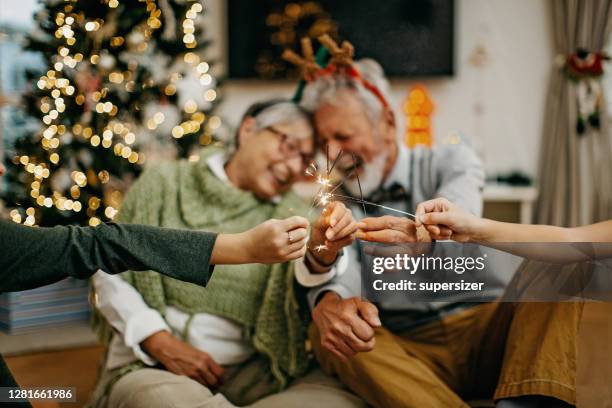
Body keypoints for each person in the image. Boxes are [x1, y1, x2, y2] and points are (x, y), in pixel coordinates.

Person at [293, 36, 581, 408]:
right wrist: (331, 298)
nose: (334, 154)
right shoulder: (335, 201)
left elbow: (461, 208)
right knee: (330, 330)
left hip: (491, 328)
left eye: (344, 136)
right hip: (410, 351)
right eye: (325, 141)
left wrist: (424, 237)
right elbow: (342, 273)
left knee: (564, 262)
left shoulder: (450, 160)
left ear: (387, 122)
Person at [88, 99, 365, 408]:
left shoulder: (295, 213)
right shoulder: (165, 184)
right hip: (155, 365)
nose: (292, 168)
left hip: (258, 373)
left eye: (304, 160)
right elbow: (108, 268)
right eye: (289, 147)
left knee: (342, 400)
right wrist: (158, 341)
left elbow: (309, 277)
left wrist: (323, 252)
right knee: (161, 400)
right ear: (248, 130)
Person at [0, 162, 310, 407]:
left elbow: (101, 245)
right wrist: (244, 249)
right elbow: (102, 247)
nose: (1, 170)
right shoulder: (164, 182)